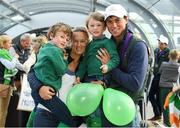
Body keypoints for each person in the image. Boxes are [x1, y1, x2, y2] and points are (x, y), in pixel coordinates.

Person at [96, 4, 148, 127]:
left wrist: (109, 66)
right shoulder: (110, 44)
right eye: (110, 22)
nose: (114, 25)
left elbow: (135, 84)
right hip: (109, 107)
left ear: (126, 19)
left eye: (117, 20)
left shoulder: (137, 46)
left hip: (125, 111)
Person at [28, 26, 89, 127]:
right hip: (46, 112)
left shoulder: (86, 66)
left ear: (87, 43)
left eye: (82, 41)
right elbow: (32, 73)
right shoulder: (57, 54)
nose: (78, 45)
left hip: (69, 118)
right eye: (75, 41)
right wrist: (40, 88)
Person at [76, 11, 119, 84]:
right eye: (92, 26)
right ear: (88, 28)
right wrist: (79, 76)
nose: (95, 28)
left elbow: (115, 59)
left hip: (102, 77)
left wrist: (108, 66)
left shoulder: (108, 42)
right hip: (88, 77)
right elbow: (84, 62)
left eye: (99, 25)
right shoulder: (89, 44)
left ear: (104, 27)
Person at [148, 35, 170, 121]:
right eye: (159, 43)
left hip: (162, 77)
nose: (159, 45)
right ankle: (157, 114)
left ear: (165, 45)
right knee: (153, 96)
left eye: (161, 43)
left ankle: (158, 114)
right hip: (156, 76)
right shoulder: (156, 51)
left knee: (152, 95)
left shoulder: (168, 53)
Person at [0, 34, 18, 127]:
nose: (11, 45)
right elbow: (11, 66)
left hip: (3, 84)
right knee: (2, 111)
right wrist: (15, 57)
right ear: (3, 43)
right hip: (4, 85)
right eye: (9, 43)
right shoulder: (2, 54)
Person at [159, 49, 180, 126]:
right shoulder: (178, 66)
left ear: (169, 56)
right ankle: (174, 122)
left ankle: (167, 124)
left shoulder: (164, 64)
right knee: (173, 106)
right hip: (174, 89)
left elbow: (159, 72)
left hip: (164, 88)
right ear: (178, 57)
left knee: (165, 106)